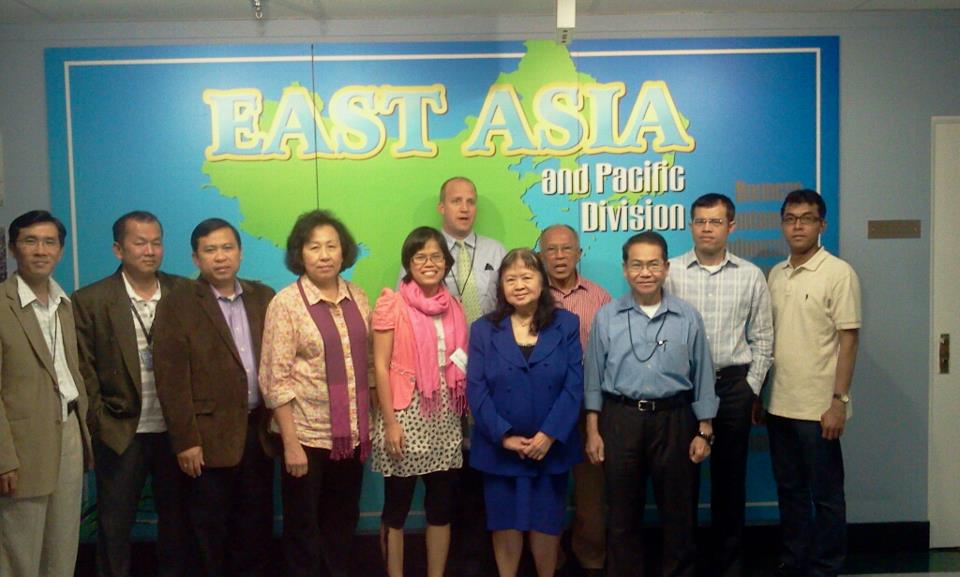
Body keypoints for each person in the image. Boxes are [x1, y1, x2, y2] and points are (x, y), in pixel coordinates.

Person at [584, 231, 718, 577]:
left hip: (674, 420)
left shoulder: (687, 316)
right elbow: (594, 378)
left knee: (678, 513)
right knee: (622, 514)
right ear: (625, 269)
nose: (645, 272)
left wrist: (704, 429)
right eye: (637, 265)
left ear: (666, 267)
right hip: (621, 418)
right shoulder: (607, 316)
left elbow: (703, 373)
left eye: (653, 264)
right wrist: (593, 431)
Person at [153, 218, 275, 577]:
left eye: (227, 248)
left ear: (239, 252)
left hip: (258, 434)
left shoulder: (264, 297)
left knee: (254, 527)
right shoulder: (179, 303)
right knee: (208, 531)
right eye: (210, 250)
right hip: (207, 439)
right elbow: (171, 378)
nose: (220, 257)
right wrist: (186, 441)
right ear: (195, 258)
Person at [72, 211, 191, 577]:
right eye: (140, 242)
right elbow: (84, 372)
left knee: (178, 522)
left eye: (157, 242)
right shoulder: (91, 300)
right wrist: (101, 425)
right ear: (118, 249)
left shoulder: (185, 292)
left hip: (176, 433)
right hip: (122, 432)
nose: (150, 250)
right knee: (114, 525)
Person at [663, 193, 773, 577]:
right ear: (691, 225)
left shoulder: (750, 275)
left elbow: (763, 339)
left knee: (729, 481)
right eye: (700, 221)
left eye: (715, 222)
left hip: (732, 387)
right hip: (681, 389)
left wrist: (751, 388)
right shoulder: (671, 271)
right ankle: (684, 565)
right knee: (681, 482)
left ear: (731, 226)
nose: (707, 228)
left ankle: (729, 566)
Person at [259, 210, 373, 577]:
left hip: (351, 437)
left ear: (344, 252)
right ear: (300, 254)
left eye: (332, 246)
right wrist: (290, 444)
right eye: (314, 247)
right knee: (303, 528)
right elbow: (275, 379)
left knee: (343, 521)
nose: (324, 255)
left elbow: (369, 364)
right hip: (305, 437)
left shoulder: (358, 296)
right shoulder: (286, 303)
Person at [467, 248, 583, 577]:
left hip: (551, 450)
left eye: (527, 276)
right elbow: (476, 389)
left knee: (547, 528)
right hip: (500, 451)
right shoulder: (483, 329)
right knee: (505, 527)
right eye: (510, 279)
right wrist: (503, 437)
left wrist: (548, 435)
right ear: (501, 286)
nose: (519, 284)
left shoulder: (566, 324)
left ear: (543, 281)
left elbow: (574, 385)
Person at [764, 189, 861, 577]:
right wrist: (761, 393)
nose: (798, 225)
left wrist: (839, 401)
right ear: (783, 225)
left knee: (826, 495)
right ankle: (795, 560)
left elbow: (849, 340)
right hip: (778, 404)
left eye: (806, 218)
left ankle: (826, 566)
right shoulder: (776, 273)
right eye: (790, 218)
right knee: (789, 491)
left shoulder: (839, 273)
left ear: (822, 224)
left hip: (819, 408)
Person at [0, 210, 93, 577]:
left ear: (60, 250)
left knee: (63, 542)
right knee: (19, 548)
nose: (41, 250)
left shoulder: (65, 304)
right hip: (22, 443)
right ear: (12, 248)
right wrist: (4, 458)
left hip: (69, 431)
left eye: (50, 242)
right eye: (30, 241)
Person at [371, 226, 467, 577]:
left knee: (440, 507)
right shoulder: (391, 305)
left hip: (444, 415)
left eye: (437, 256)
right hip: (405, 414)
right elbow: (380, 366)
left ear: (447, 261)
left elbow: (459, 360)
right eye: (420, 257)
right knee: (396, 509)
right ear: (408, 263)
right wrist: (391, 423)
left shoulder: (453, 306)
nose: (430, 263)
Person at [538, 223, 611, 577]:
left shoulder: (600, 298)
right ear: (540, 256)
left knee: (591, 495)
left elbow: (611, 355)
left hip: (587, 409)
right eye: (551, 249)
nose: (559, 256)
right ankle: (550, 561)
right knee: (546, 487)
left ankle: (591, 559)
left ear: (579, 253)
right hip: (542, 411)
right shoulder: (530, 296)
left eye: (566, 249)